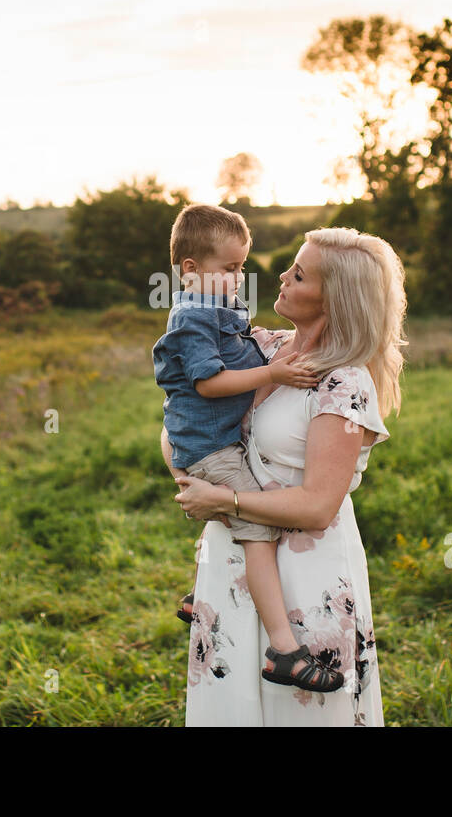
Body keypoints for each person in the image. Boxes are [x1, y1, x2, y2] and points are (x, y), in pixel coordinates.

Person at [169, 227, 407, 725]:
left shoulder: (343, 383)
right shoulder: (259, 348)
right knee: (230, 706)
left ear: (334, 298)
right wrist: (185, 463)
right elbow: (181, 408)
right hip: (233, 561)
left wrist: (225, 501)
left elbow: (318, 506)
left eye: (298, 274)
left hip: (305, 576)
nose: (280, 276)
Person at [153, 205, 343, 692]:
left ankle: (201, 593)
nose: (242, 278)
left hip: (210, 443)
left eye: (241, 267)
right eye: (231, 269)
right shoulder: (193, 317)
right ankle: (284, 649)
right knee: (256, 529)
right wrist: (274, 373)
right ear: (191, 270)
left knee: (237, 500)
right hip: (210, 446)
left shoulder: (215, 307)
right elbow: (211, 383)